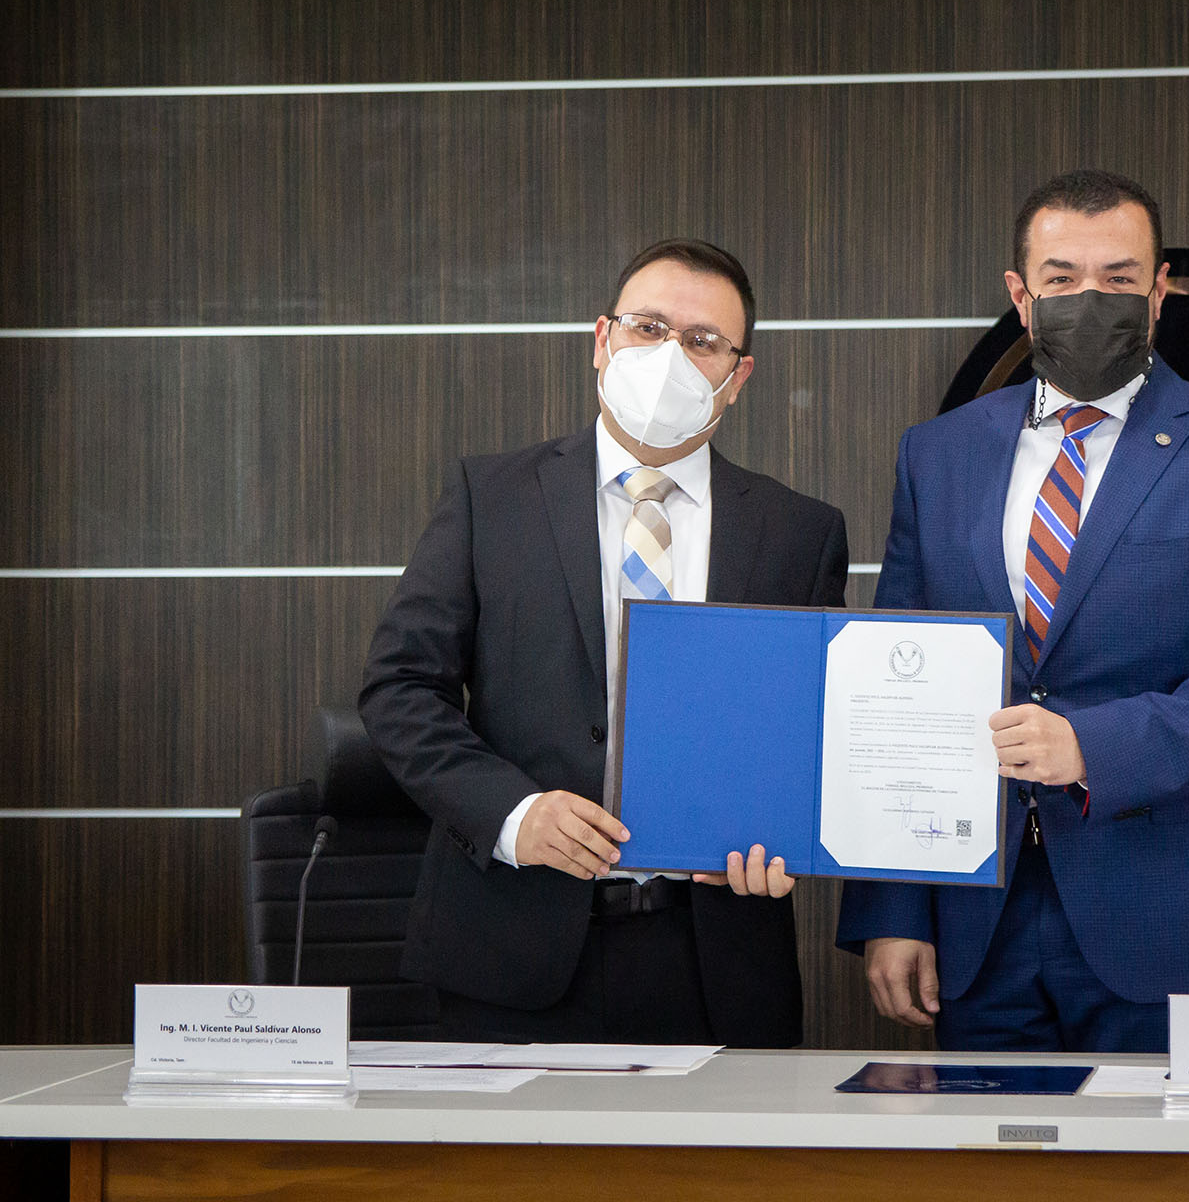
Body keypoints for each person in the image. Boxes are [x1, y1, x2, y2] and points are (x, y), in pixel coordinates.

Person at [837, 170, 1189, 1051]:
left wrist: (1088, 748)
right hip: (974, 926)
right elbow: (896, 690)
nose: (1089, 299)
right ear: (1020, 295)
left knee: (1176, 1189)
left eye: (1118, 277)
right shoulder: (937, 455)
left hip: (1175, 921)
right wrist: (893, 909)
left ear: (1159, 290)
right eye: (1063, 279)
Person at [361, 238, 847, 1046]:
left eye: (702, 342)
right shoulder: (494, 497)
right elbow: (400, 688)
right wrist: (513, 814)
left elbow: (810, 730)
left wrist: (787, 834)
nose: (669, 357)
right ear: (601, 340)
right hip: (510, 942)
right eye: (648, 328)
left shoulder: (799, 532)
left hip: (714, 956)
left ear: (738, 376)